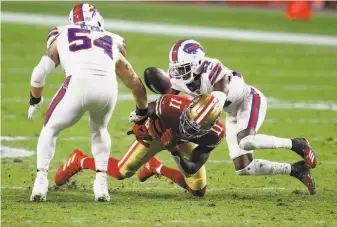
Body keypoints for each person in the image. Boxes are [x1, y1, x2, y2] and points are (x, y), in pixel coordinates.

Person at [151, 39, 317, 195]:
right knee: (244, 167)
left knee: (246, 141)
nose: (177, 73)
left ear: (197, 63)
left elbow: (215, 105)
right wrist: (143, 114)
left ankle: (297, 144)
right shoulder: (178, 77)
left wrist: (190, 126)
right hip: (231, 111)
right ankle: (295, 169)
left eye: (183, 68)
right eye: (175, 68)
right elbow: (166, 101)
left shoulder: (212, 68)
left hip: (249, 100)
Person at [28, 3, 148, 202]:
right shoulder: (111, 40)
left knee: (50, 128)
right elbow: (136, 84)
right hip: (108, 89)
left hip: (77, 85)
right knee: (100, 129)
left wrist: (35, 99)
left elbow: (39, 73)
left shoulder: (62, 35)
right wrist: (142, 112)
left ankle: (40, 182)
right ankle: (101, 186)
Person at [55, 93, 225, 197]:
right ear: (190, 106)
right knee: (122, 172)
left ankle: (156, 168)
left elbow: (191, 167)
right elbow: (143, 111)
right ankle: (80, 160)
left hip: (180, 143)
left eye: (195, 127)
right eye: (188, 121)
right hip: (156, 134)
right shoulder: (171, 105)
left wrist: (174, 150)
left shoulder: (215, 135)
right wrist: (138, 125)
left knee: (197, 190)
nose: (187, 127)